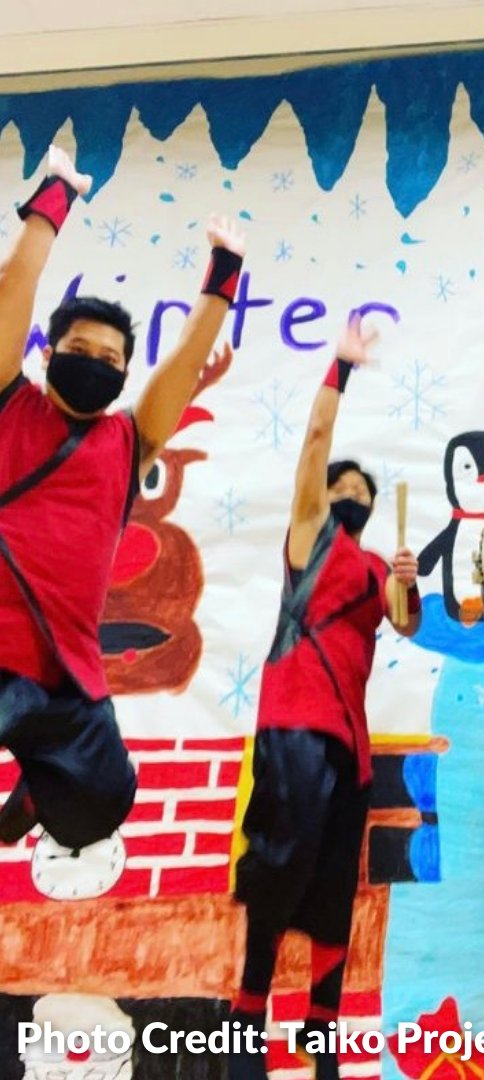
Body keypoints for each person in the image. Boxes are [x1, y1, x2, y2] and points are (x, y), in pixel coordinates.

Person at [0, 144, 243, 852]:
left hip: (65, 672)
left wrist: (223, 273)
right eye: (82, 350)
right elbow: (16, 283)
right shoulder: (11, 405)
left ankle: (32, 798)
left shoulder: (126, 441)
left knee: (104, 799)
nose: (97, 365)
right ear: (48, 354)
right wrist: (55, 198)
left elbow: (186, 363)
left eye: (112, 360)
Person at [229, 316, 421, 1080]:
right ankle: (247, 1013)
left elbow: (403, 623)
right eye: (341, 487)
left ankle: (321, 1027)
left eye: (360, 492)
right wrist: (340, 371)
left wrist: (407, 583)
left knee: (336, 879)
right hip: (293, 728)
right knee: (282, 864)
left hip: (350, 747)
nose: (349, 496)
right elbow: (314, 445)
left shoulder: (374, 566)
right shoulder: (309, 537)